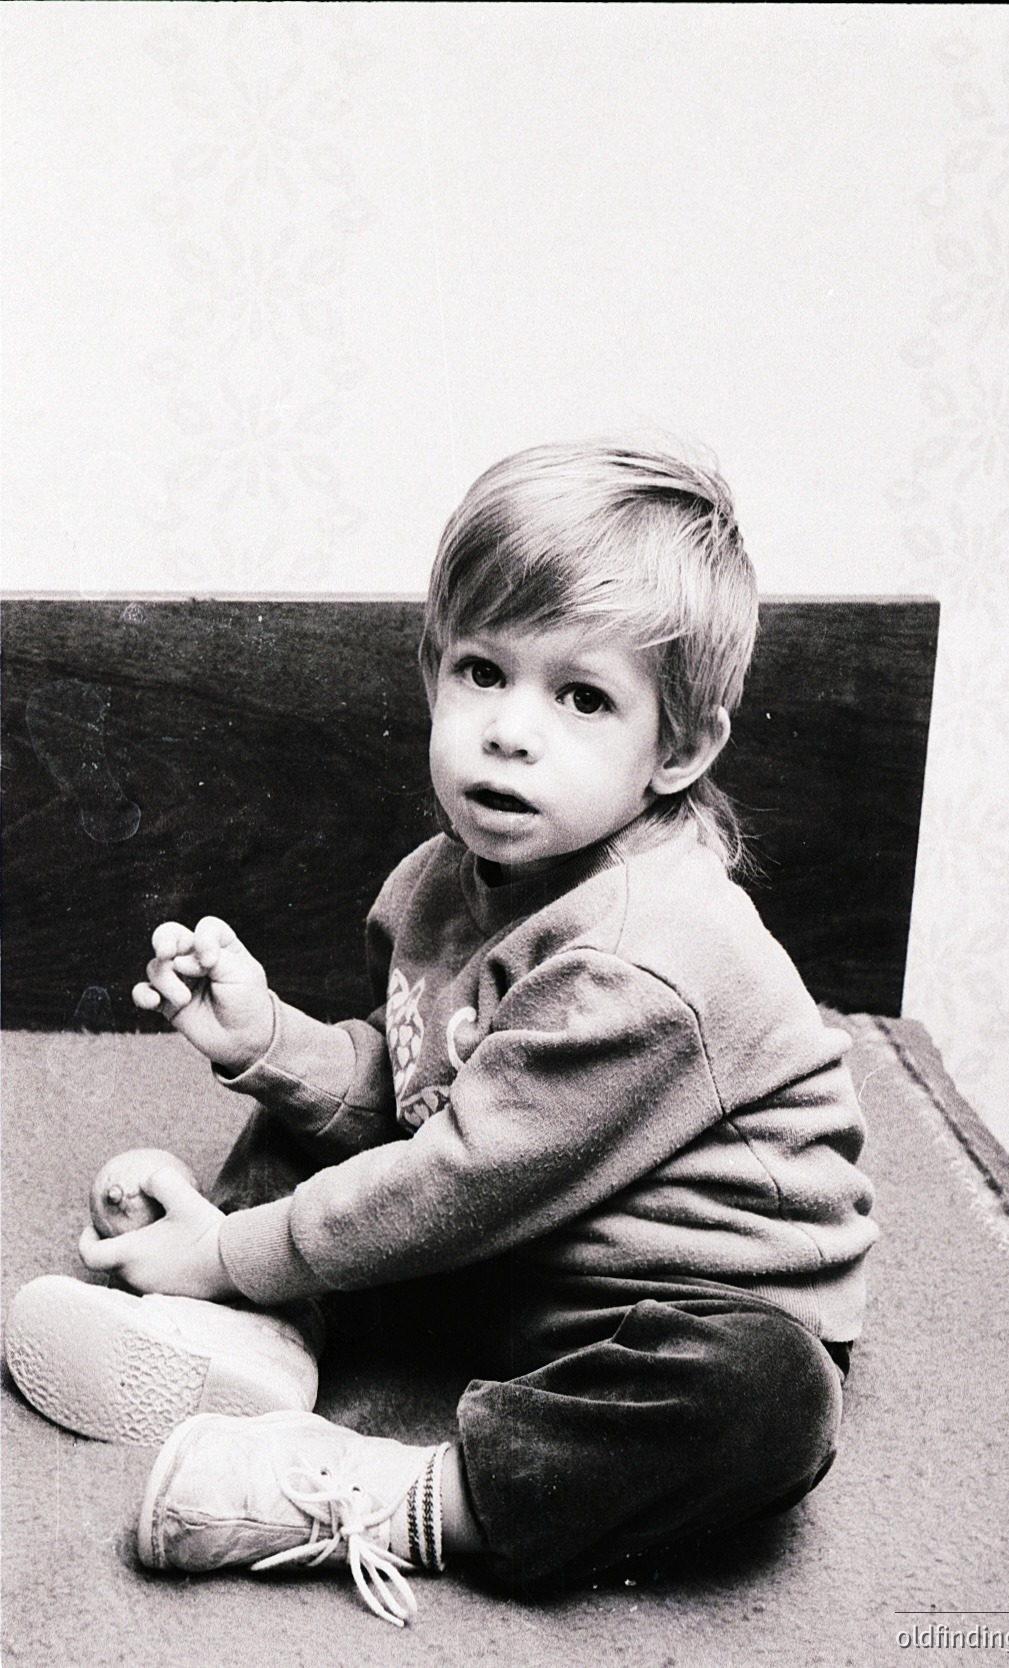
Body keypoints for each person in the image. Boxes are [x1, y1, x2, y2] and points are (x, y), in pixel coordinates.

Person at [4, 442, 877, 1628]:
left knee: (765, 1407)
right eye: (482, 671)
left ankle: (396, 1495)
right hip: (522, 1252)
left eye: (582, 697)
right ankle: (248, 1336)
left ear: (676, 749)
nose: (511, 731)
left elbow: (459, 1180)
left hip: (671, 1301)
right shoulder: (442, 882)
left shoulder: (638, 958)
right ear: (431, 674)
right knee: (306, 1126)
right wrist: (272, 1043)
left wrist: (230, 1245)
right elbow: (422, 1095)